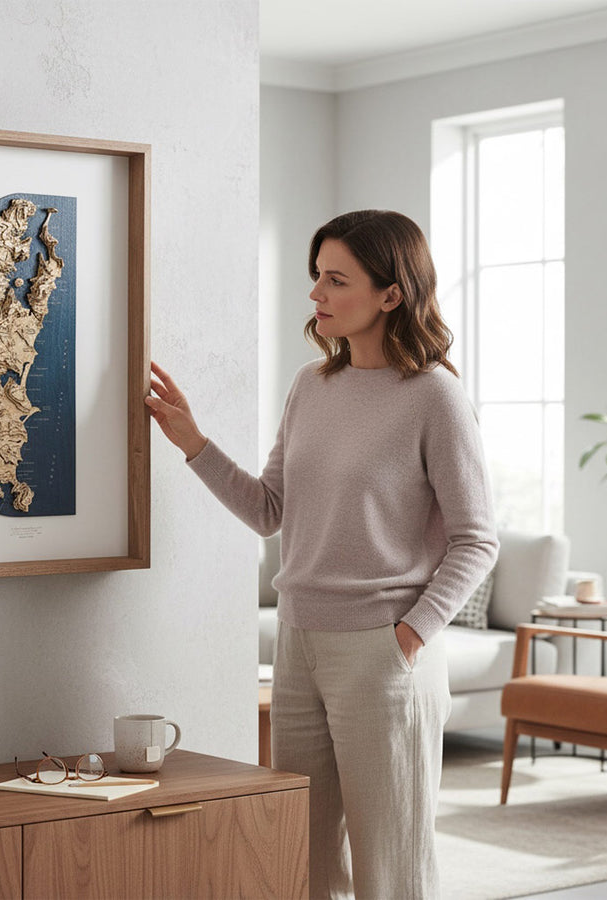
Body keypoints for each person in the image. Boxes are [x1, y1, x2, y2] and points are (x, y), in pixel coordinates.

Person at [145, 209, 498, 900]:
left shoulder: (436, 398)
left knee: (388, 870)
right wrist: (193, 441)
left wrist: (410, 634)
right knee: (300, 857)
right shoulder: (313, 385)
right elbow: (269, 511)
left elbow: (476, 538)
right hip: (300, 644)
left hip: (383, 652)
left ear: (390, 293)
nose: (316, 295)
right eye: (316, 277)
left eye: (336, 280)